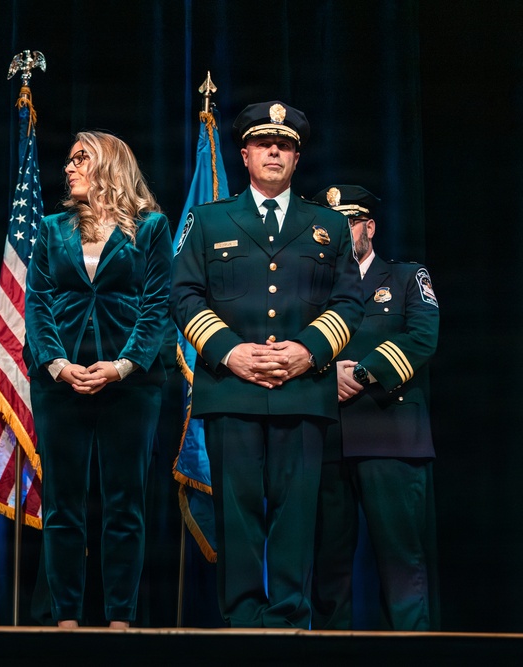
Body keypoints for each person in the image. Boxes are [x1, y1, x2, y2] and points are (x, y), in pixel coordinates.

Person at [169, 101, 364, 628]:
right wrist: (230, 351)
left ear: (297, 159)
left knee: (297, 514)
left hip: (305, 390)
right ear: (245, 154)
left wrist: (308, 351)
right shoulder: (208, 220)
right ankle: (241, 622)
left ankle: (287, 622)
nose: (274, 151)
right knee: (236, 514)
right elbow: (183, 295)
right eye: (264, 143)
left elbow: (350, 302)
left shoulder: (329, 225)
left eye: (286, 145)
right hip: (230, 388)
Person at [25, 131, 173, 628]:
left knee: (124, 507)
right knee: (62, 507)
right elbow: (38, 304)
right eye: (68, 160)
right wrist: (58, 364)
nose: (68, 168)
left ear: (110, 164)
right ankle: (65, 620)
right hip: (59, 384)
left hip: (130, 386)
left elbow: (157, 307)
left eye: (80, 159)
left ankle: (119, 622)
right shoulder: (51, 228)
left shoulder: (151, 229)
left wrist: (122, 365)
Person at [310, 185, 440, 630]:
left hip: (390, 433)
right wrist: (330, 377)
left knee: (400, 564)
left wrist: (361, 374)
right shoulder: (312, 290)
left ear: (369, 226)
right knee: (328, 569)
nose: (342, 232)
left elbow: (422, 338)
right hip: (327, 439)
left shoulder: (405, 277)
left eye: (350, 222)